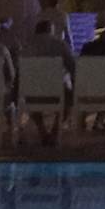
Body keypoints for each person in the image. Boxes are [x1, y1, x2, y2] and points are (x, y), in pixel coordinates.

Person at [18, 17, 75, 145]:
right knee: (70, 98)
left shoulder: (26, 46)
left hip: (32, 93)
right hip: (57, 93)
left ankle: (42, 130)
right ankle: (55, 130)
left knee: (30, 95)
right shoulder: (60, 44)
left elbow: (20, 69)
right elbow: (72, 66)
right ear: (51, 30)